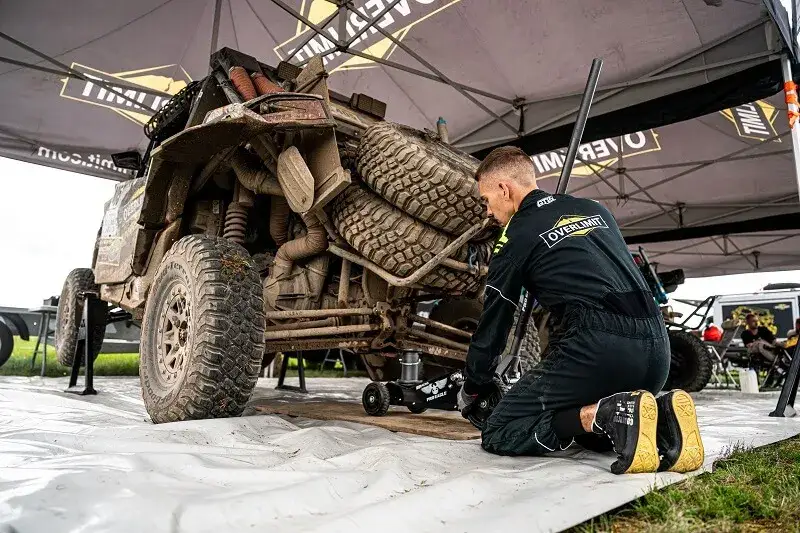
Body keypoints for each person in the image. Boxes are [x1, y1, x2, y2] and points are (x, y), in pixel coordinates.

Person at [457, 147, 704, 475]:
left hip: (598, 349)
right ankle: (661, 416)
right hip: (657, 349)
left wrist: (475, 383)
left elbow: (495, 322)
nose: (487, 212)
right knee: (584, 432)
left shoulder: (515, 236)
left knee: (500, 430)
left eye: (486, 200)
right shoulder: (594, 209)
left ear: (504, 189)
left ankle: (606, 414)